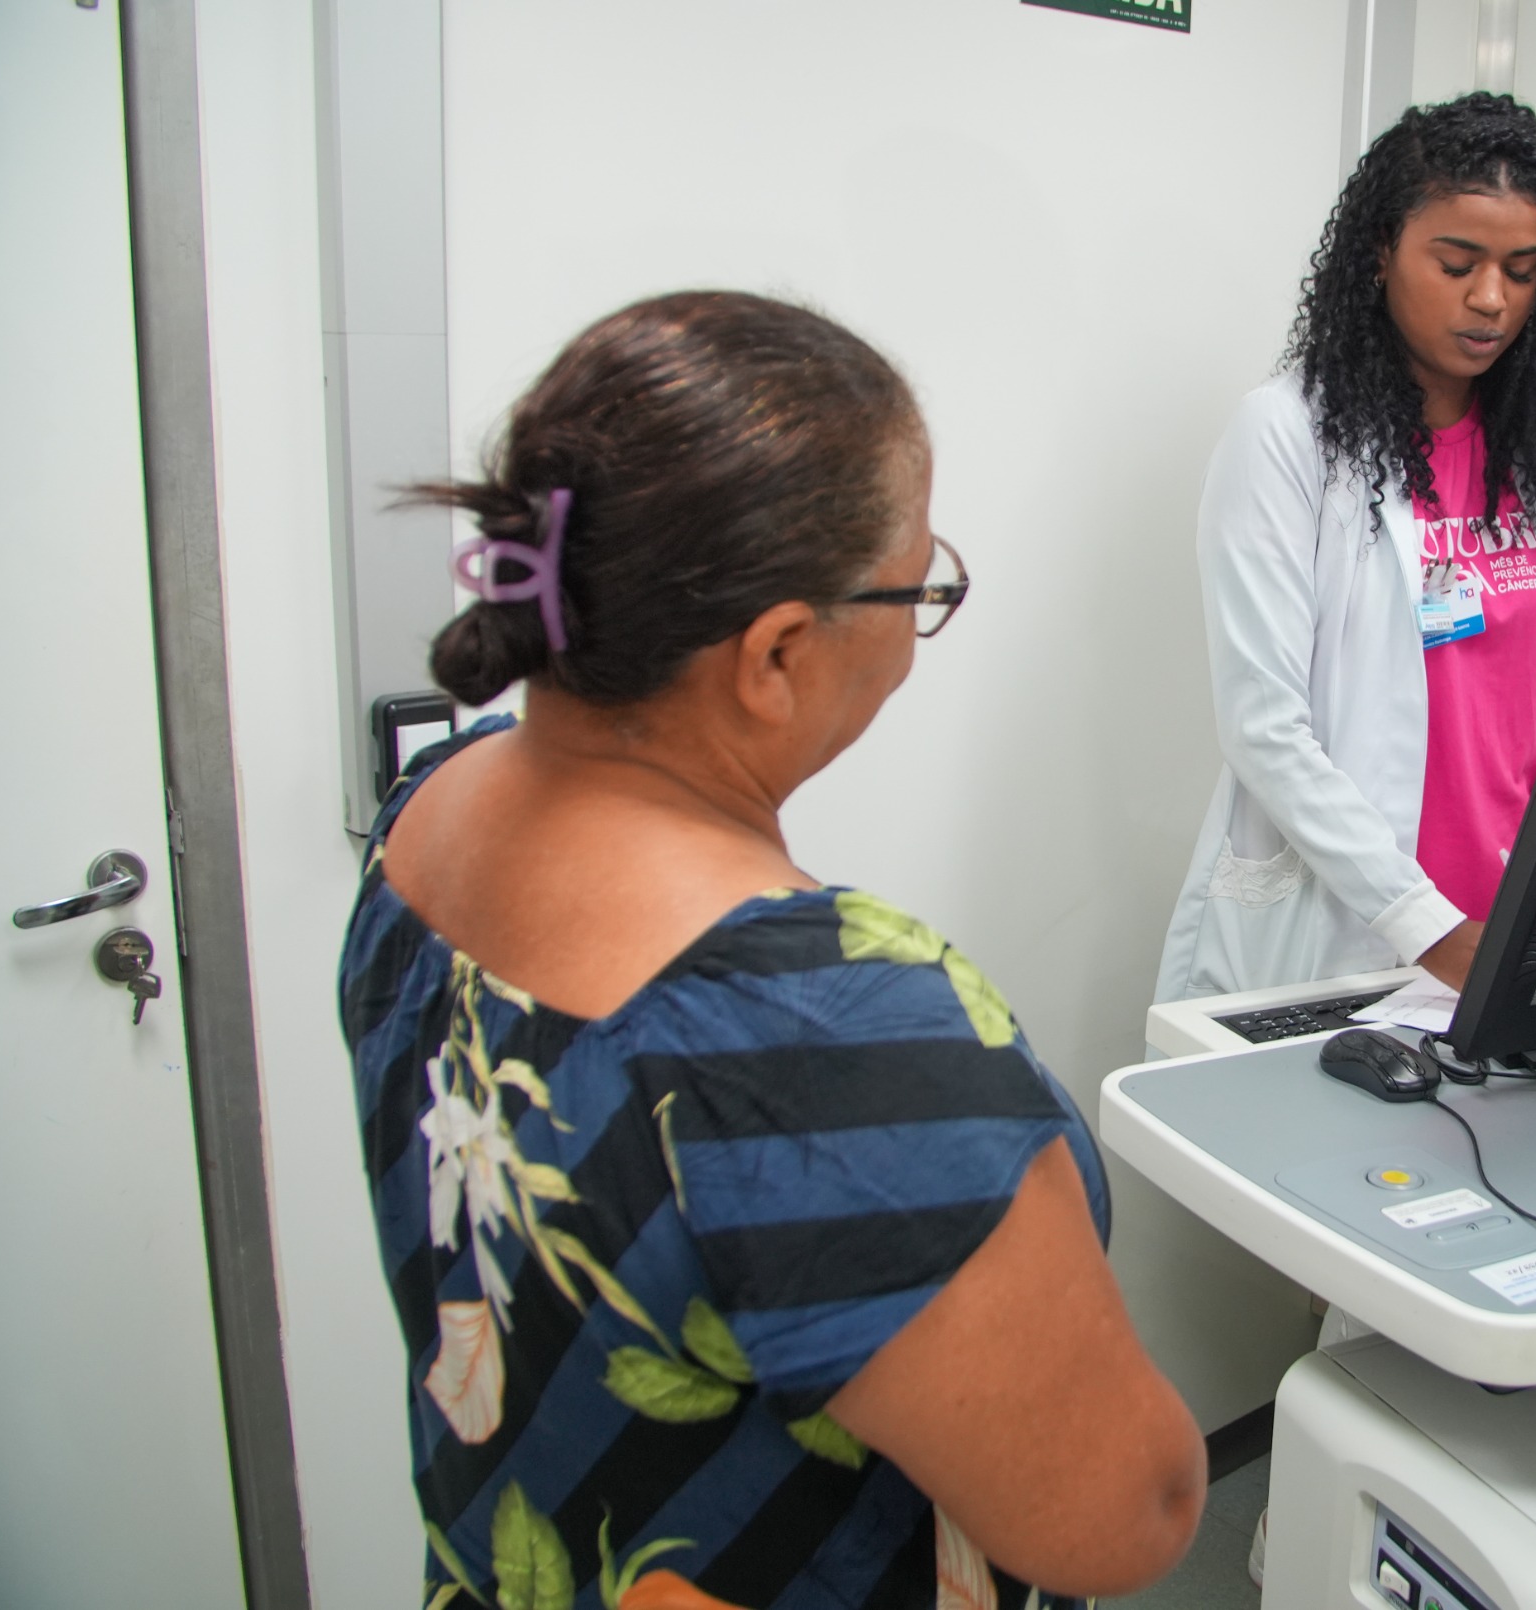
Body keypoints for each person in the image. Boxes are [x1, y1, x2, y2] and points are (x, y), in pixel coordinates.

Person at [341, 292, 1205, 1610]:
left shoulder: (435, 814)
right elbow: (1118, 1518)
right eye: (919, 586)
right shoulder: (828, 1031)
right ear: (779, 651)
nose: (919, 625)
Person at [1157, 92, 1536, 1005]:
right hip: (1357, 936)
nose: (1492, 299)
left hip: (1516, 933)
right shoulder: (1288, 439)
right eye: (1457, 263)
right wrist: (1433, 929)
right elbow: (1265, 729)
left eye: (1524, 271)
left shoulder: (1535, 455)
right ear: (1381, 252)